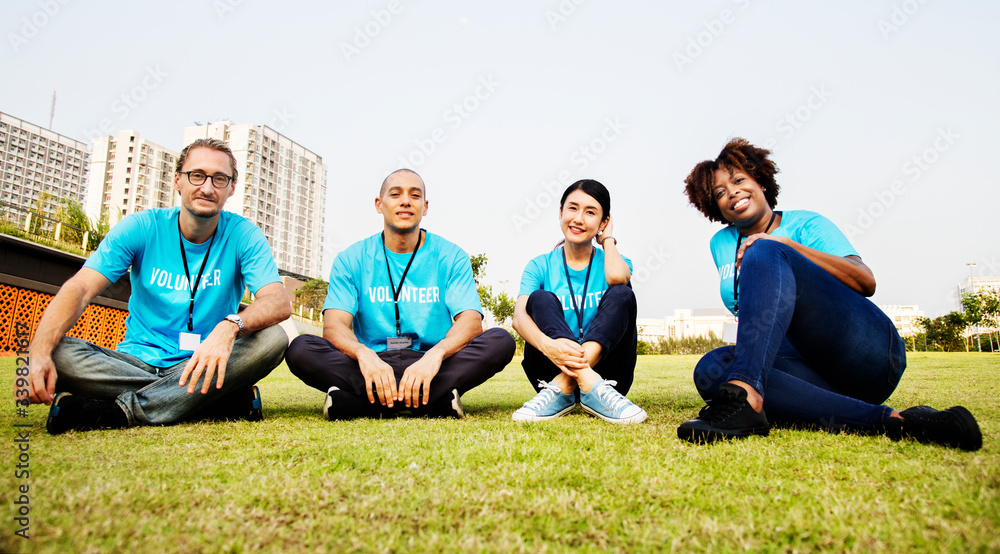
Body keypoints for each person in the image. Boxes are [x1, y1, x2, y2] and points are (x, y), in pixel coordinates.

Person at [677, 138, 982, 450]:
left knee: (765, 248)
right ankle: (897, 421)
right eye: (720, 193)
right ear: (714, 206)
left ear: (761, 182)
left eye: (739, 180)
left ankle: (745, 398)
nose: (733, 193)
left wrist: (786, 246)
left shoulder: (807, 223)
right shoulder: (720, 244)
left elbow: (865, 281)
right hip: (808, 376)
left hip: (863, 354)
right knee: (710, 370)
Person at [27, 138, 291, 434]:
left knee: (274, 339)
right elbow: (80, 289)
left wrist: (229, 327)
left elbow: (277, 301)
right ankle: (210, 402)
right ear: (178, 180)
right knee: (56, 349)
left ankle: (119, 412)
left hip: (204, 362)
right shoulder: (142, 227)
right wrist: (38, 355)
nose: (207, 187)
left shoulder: (244, 235)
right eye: (197, 175)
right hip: (132, 363)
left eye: (219, 179)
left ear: (231, 188)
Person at [285, 169, 515, 419]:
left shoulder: (451, 256)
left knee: (500, 341)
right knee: (300, 348)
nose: (405, 200)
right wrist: (364, 355)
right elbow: (334, 326)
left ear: (424, 207)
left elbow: (470, 321)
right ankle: (436, 401)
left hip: (432, 364)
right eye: (395, 194)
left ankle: (359, 403)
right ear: (379, 204)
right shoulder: (351, 259)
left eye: (414, 196)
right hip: (371, 363)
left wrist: (435, 356)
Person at [511, 179, 647, 424]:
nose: (578, 218)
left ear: (604, 222)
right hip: (550, 366)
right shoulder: (539, 265)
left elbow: (617, 278)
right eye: (572, 208)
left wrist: (608, 239)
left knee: (622, 293)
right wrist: (548, 346)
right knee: (540, 298)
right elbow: (519, 319)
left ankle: (570, 384)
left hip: (608, 375)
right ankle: (570, 383)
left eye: (591, 212)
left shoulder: (615, 261)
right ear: (560, 212)